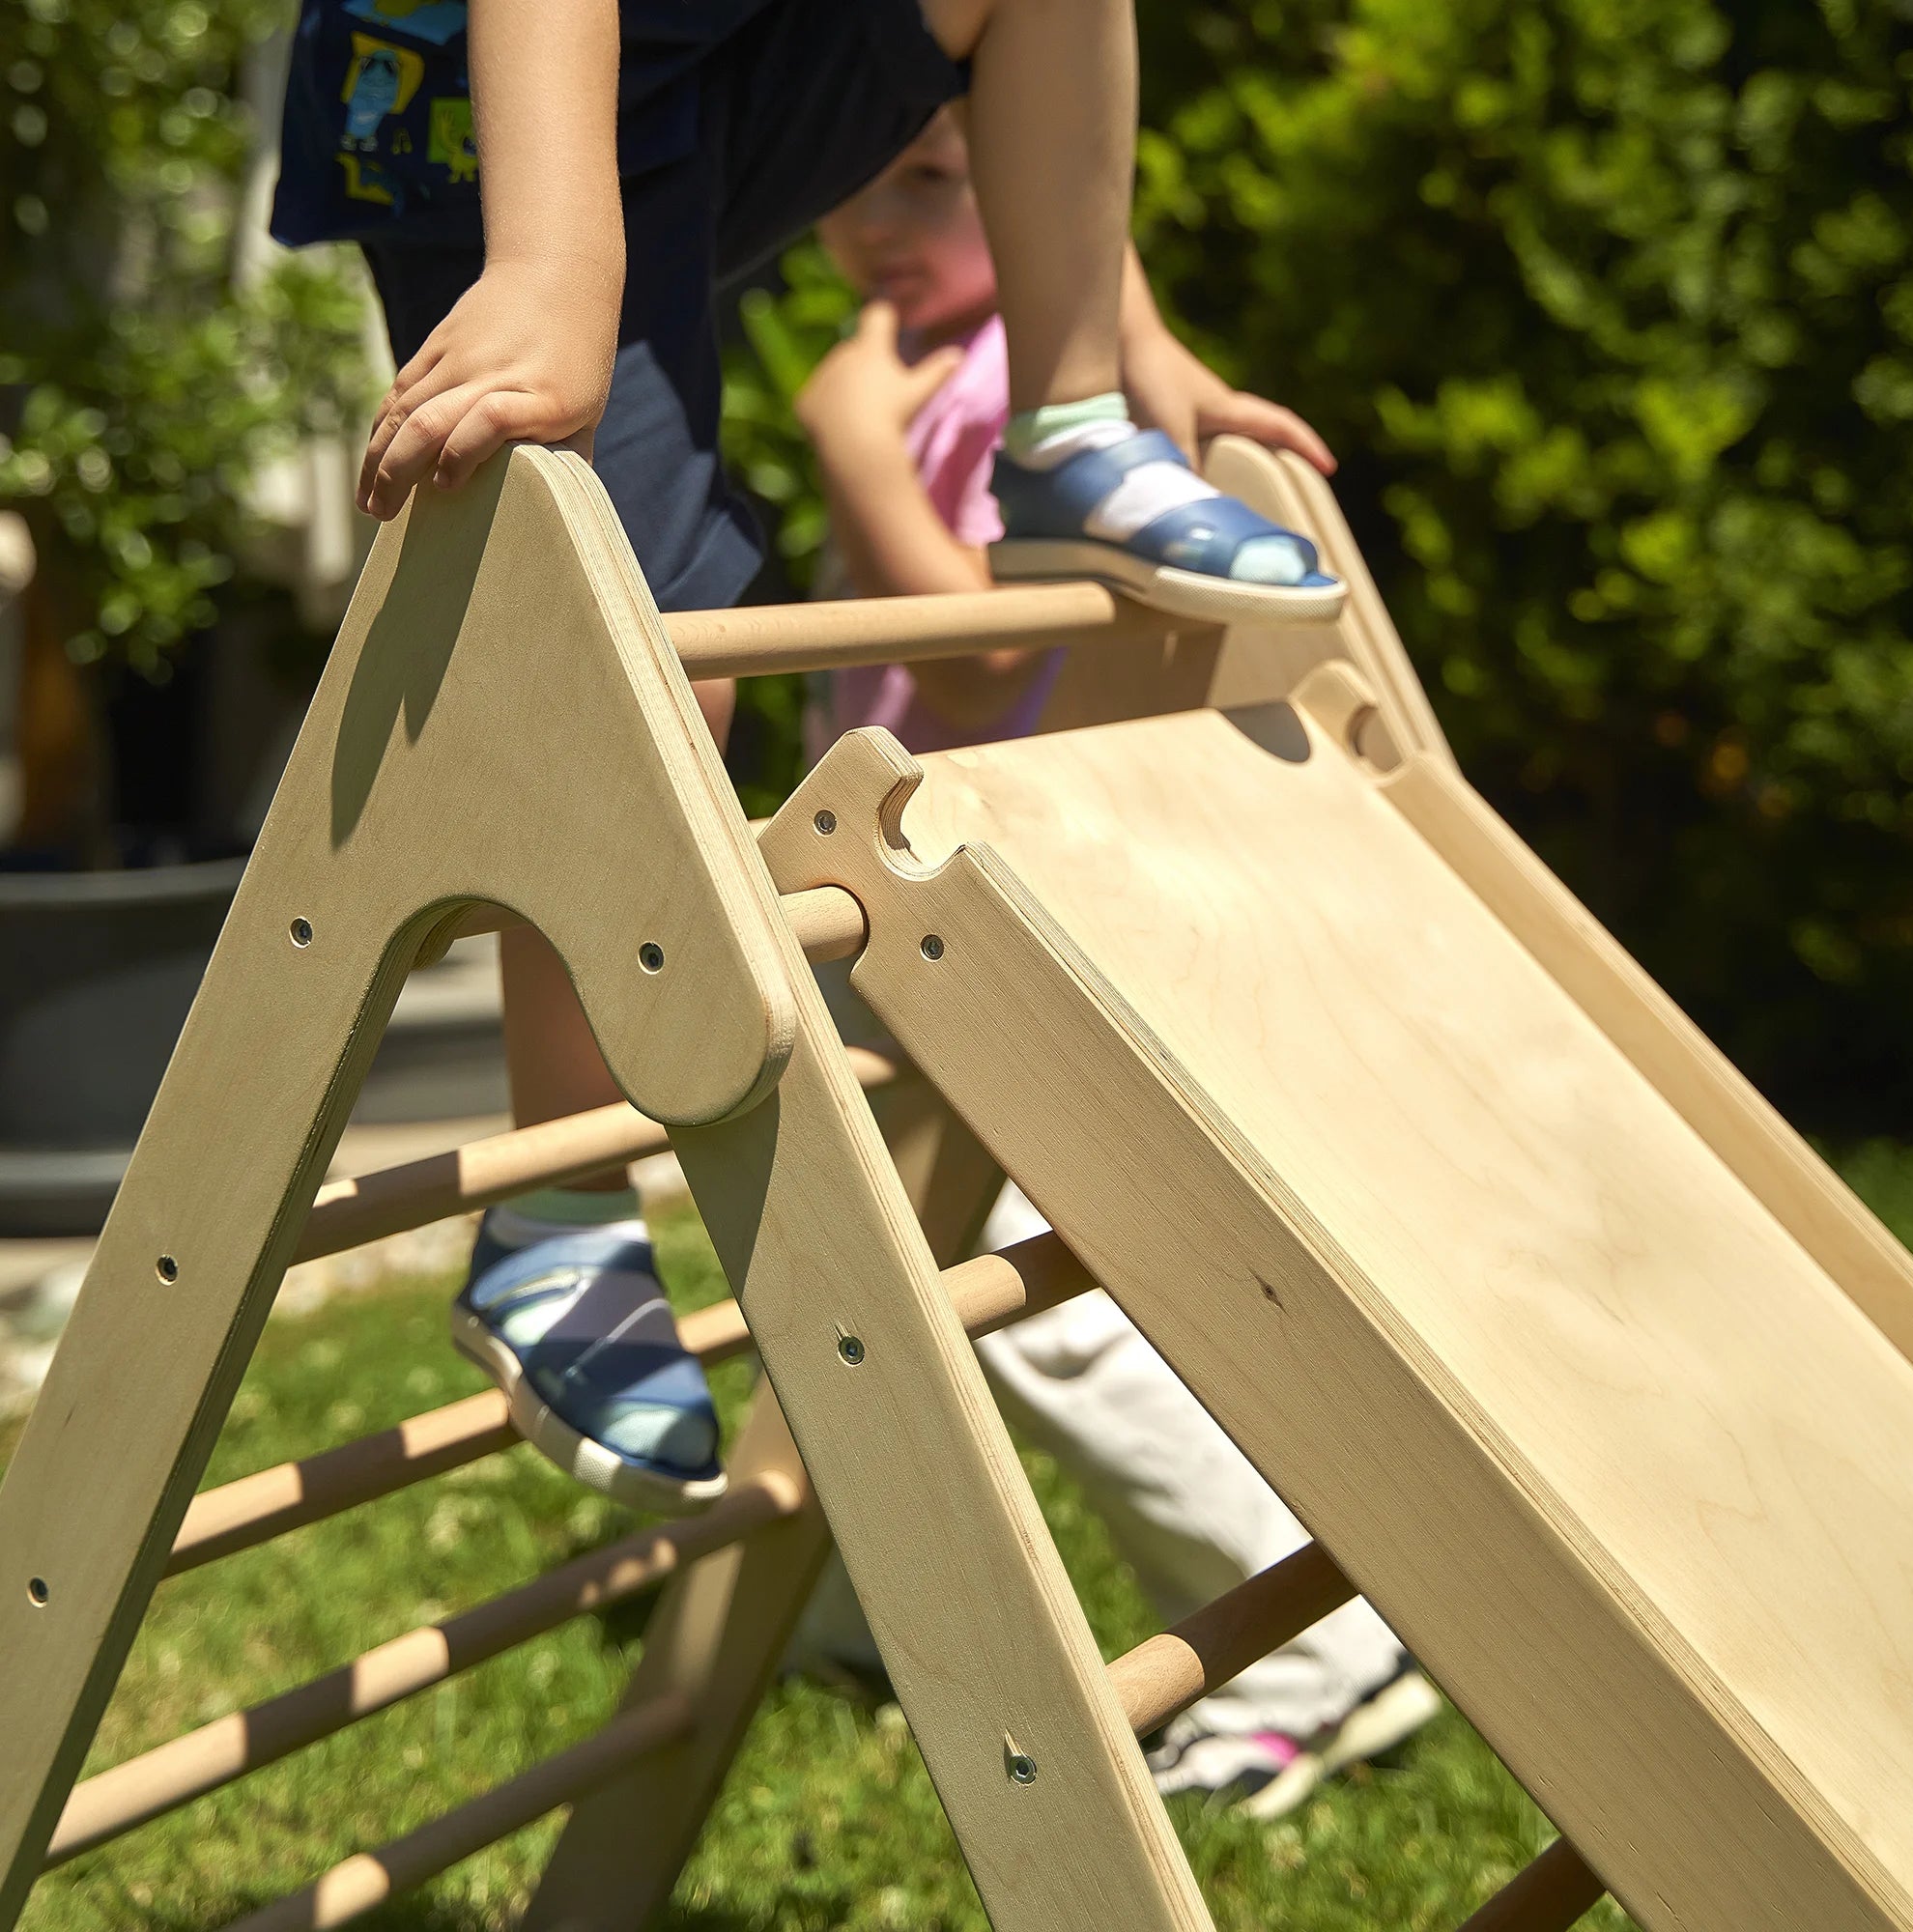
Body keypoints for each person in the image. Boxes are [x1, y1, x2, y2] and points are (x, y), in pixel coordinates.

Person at [271, 0, 1347, 1520]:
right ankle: (559, 1201)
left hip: (709, 68)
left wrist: (1120, 339)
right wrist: (549, 269)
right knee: (635, 649)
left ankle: (1071, 423)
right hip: (490, 95)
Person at [791, 108, 1438, 1815]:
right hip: (921, 889)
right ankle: (856, 1607)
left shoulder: (999, 391)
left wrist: (855, 446)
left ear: (1034, 183)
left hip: (992, 901)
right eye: (854, 178)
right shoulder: (953, 365)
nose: (877, 221)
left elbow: (988, 632)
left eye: (931, 177)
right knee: (848, 1246)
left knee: (1016, 1291)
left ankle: (1319, 1646)